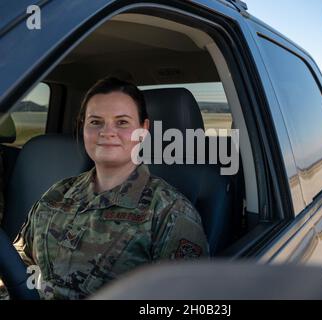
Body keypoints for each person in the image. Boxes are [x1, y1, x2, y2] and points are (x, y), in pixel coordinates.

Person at [13, 77, 209, 300]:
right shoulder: (57, 194)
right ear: (83, 127)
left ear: (143, 130)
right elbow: (17, 266)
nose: (107, 132)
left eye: (122, 122)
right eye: (95, 122)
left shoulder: (170, 213)